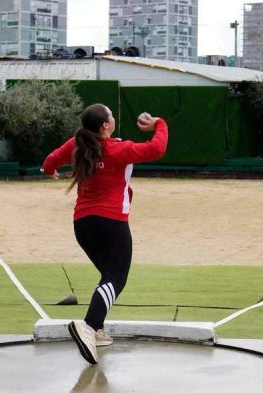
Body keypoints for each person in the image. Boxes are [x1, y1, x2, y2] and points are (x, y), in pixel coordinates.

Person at [41, 104, 168, 365]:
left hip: (82, 225)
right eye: (111, 115)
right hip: (112, 223)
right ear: (105, 126)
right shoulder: (118, 149)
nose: (113, 117)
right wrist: (159, 123)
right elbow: (157, 148)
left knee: (108, 278)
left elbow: (49, 162)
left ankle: (96, 331)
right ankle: (89, 326)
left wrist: (50, 171)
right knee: (116, 279)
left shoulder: (77, 144)